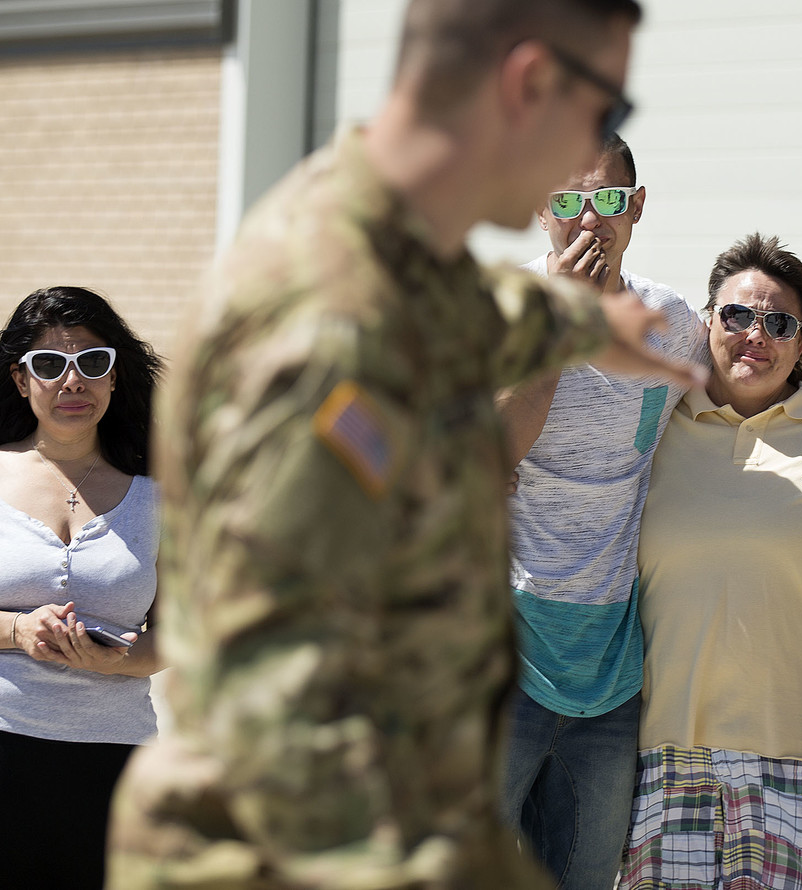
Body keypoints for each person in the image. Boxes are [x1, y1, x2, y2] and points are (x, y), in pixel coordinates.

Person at [106, 2, 706, 888]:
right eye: (605, 110)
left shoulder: (411, 270)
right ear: (529, 87)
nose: (587, 187)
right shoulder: (330, 308)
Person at [499, 144, 802, 888]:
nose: (588, 220)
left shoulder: (671, 324)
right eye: (566, 202)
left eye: (608, 202)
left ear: (638, 207)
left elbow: (756, 350)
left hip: (613, 679)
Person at [619, 234, 802, 889]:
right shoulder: (652, 429)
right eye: (736, 315)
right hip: (664, 759)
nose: (755, 334)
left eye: (778, 323)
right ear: (706, 322)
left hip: (801, 765)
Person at [0, 285, 164, 889]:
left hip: (115, 760)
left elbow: (189, 635)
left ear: (114, 377)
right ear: (20, 378)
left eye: (92, 362)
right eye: (51, 364)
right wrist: (15, 629)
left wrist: (123, 660)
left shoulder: (161, 499)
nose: (73, 381)